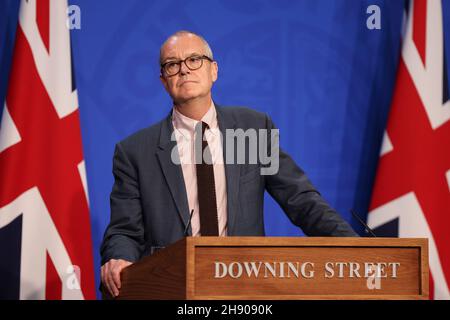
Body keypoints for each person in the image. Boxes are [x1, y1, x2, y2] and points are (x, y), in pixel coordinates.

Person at [100, 30, 358, 297]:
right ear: (164, 81)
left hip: (244, 288)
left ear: (214, 70)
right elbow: (124, 230)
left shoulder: (252, 129)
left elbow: (302, 201)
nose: (184, 70)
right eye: (172, 64)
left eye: (194, 59)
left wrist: (357, 249)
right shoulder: (135, 152)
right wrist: (118, 258)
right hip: (173, 287)